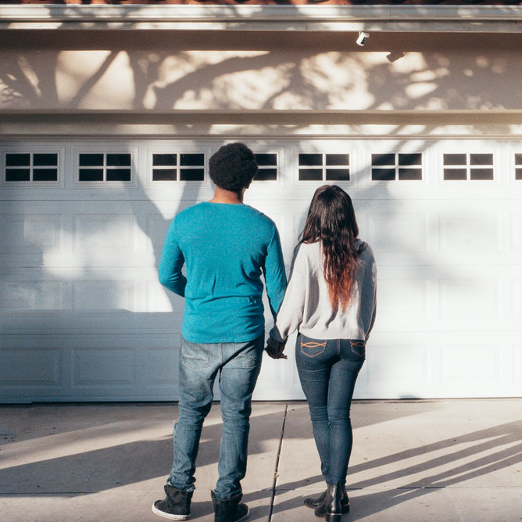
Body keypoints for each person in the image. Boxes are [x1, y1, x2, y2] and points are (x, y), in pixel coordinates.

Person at [153, 142, 287, 522]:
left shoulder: (185, 221)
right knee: (237, 416)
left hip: (198, 332)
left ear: (212, 175)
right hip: (244, 335)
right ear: (250, 180)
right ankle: (227, 502)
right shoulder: (263, 226)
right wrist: (281, 334)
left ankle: (178, 496)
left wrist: (195, 295)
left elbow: (166, 275)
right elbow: (279, 291)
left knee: (190, 413)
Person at [266, 184, 377, 522]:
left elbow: (294, 301)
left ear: (316, 214)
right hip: (352, 344)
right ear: (347, 215)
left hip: (314, 344)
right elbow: (370, 303)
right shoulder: (364, 250)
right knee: (339, 416)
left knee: (320, 417)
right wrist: (360, 335)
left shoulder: (309, 250)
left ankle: (332, 491)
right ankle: (335, 492)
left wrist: (277, 336)